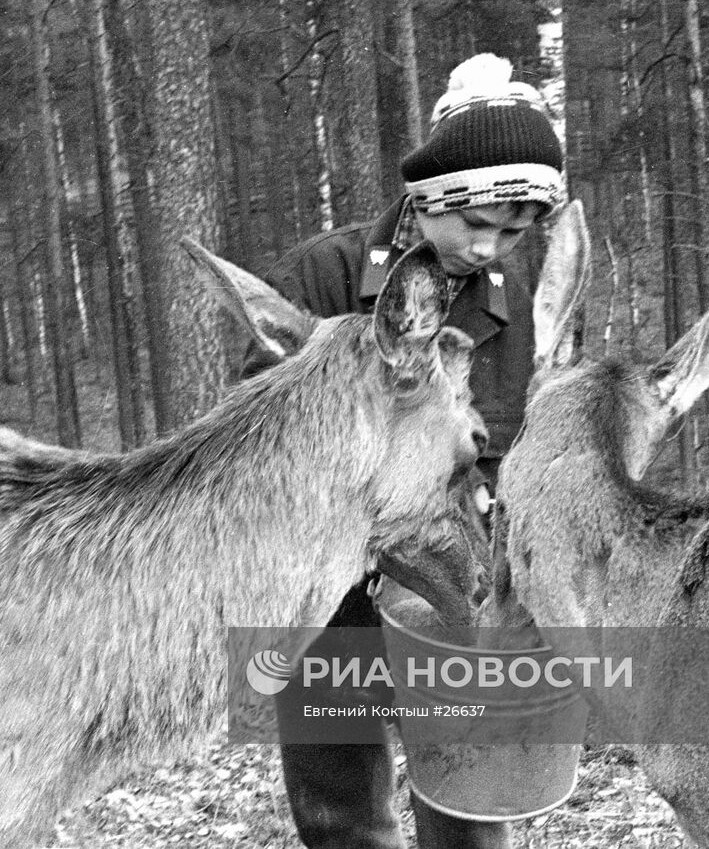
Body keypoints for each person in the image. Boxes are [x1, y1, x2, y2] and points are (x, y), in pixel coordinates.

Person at [249, 54, 565, 849]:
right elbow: (253, 434)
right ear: (430, 200)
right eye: (476, 224)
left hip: (449, 579)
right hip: (328, 587)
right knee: (341, 804)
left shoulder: (509, 303)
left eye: (516, 231)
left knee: (468, 795)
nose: (492, 247)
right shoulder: (323, 275)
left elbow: (509, 441)